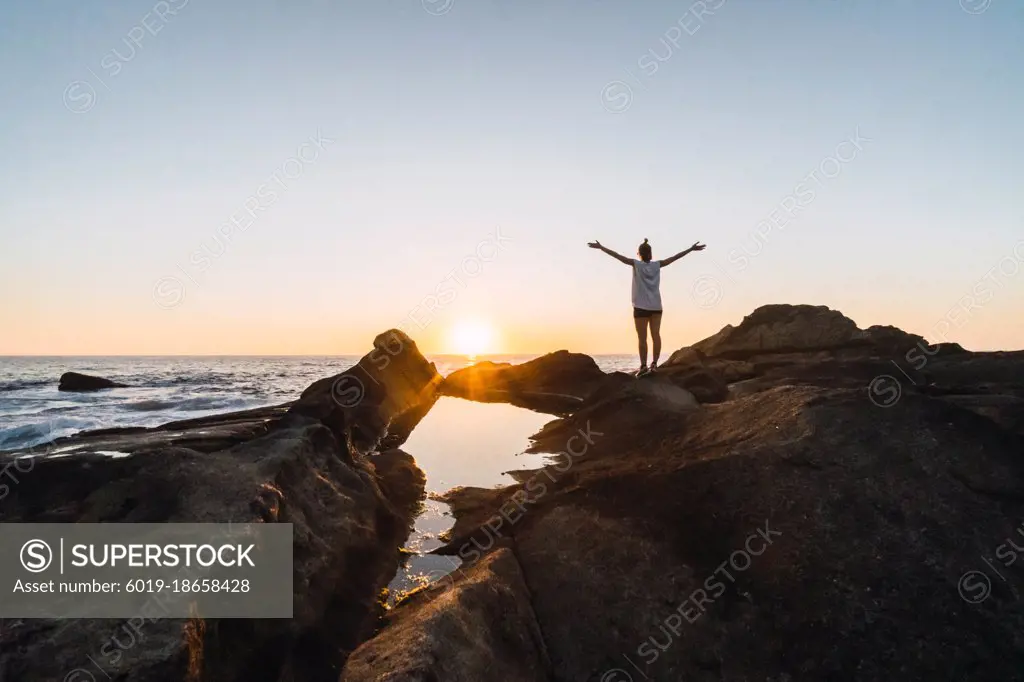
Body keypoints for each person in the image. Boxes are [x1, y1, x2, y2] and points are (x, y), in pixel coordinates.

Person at [588, 238, 707, 375]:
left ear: (639, 253)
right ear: (651, 254)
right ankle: (654, 364)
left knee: (642, 338)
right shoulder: (657, 265)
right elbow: (674, 258)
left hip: (640, 307)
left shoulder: (636, 264)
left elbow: (618, 257)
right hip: (656, 307)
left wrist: (601, 247)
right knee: (656, 335)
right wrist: (691, 249)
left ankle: (644, 365)